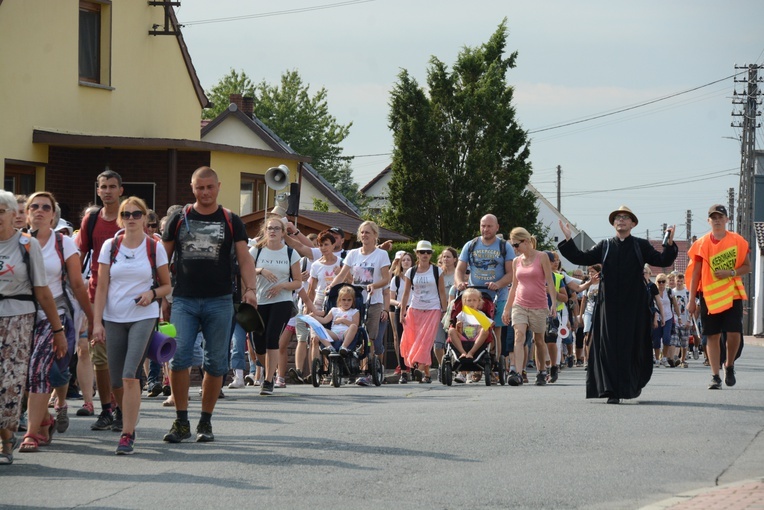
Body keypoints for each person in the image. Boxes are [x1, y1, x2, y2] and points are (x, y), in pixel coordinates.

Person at [161, 166, 257, 443]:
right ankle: (181, 421)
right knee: (178, 360)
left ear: (218, 187)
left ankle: (205, 421)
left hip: (220, 301)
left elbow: (245, 259)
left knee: (216, 363)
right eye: (199, 187)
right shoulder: (178, 219)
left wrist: (251, 290)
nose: (204, 192)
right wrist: (161, 296)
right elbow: (162, 260)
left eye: (209, 187)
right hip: (183, 300)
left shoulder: (231, 219)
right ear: (192, 188)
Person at [558, 206, 678, 403]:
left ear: (632, 224)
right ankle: (611, 390)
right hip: (609, 305)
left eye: (625, 218)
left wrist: (670, 243)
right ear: (613, 224)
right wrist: (568, 239)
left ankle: (629, 385)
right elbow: (581, 257)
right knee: (608, 346)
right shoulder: (604, 246)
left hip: (634, 306)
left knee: (632, 345)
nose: (621, 220)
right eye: (617, 218)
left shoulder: (640, 245)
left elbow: (662, 259)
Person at [93, 197, 172, 454]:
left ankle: (127, 434)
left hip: (143, 316)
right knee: (116, 380)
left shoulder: (154, 247)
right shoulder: (110, 245)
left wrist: (152, 294)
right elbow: (101, 286)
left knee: (129, 375)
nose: (131, 218)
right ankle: (127, 412)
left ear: (145, 217)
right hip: (114, 317)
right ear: (121, 218)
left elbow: (167, 286)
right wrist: (97, 322)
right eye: (126, 214)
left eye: (136, 214)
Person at [18, 192, 93, 454]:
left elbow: (76, 284)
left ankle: (31, 432)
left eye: (45, 207)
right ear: (27, 213)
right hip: (20, 314)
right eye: (34, 206)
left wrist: (92, 318)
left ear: (53, 215)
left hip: (55, 314)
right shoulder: (17, 242)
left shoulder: (63, 243)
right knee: (22, 373)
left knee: (40, 370)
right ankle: (45, 419)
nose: (39, 210)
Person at [0, 189, 69, 465]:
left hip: (19, 318)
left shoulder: (27, 245)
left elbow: (42, 292)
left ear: (13, 215)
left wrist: (58, 331)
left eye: (1, 211)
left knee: (11, 382)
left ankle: (6, 437)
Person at [76, 169, 123, 430]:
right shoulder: (91, 220)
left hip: (127, 297)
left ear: (120, 190)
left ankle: (122, 408)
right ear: (98, 189)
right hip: (96, 295)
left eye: (112, 186)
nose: (107, 191)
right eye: (103, 186)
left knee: (125, 356)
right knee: (100, 356)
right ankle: (107, 409)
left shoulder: (129, 216)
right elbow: (79, 254)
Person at [687, 204, 750, 390]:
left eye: (720, 217)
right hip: (709, 295)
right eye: (713, 217)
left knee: (733, 332)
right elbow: (696, 274)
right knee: (712, 336)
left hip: (732, 293)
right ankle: (715, 376)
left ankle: (729, 365)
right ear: (708, 220)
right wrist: (692, 300)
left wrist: (731, 272)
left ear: (727, 220)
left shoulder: (737, 240)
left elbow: (748, 266)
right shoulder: (701, 244)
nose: (717, 220)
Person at [329, 221, 391, 386]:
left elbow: (386, 278)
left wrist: (374, 285)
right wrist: (332, 287)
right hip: (355, 299)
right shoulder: (353, 254)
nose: (364, 235)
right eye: (362, 232)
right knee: (354, 333)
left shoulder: (381, 255)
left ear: (375, 236)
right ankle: (352, 368)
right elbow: (342, 275)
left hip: (374, 299)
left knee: (369, 336)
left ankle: (367, 372)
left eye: (368, 233)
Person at [250, 215, 302, 395]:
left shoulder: (290, 253)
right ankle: (267, 369)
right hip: (259, 300)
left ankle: (268, 380)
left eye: (276, 229)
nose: (272, 231)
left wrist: (281, 285)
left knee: (272, 337)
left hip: (282, 301)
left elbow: (298, 282)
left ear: (283, 233)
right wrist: (261, 270)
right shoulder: (256, 250)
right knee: (258, 343)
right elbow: (245, 272)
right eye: (269, 228)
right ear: (265, 231)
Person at [454, 214, 514, 364]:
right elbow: (459, 269)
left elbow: (512, 273)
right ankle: (471, 361)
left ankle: (494, 361)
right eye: (483, 226)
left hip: (497, 295)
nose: (485, 229)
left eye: (489, 226)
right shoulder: (471, 245)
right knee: (470, 329)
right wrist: (459, 282)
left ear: (497, 227)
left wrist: (498, 284)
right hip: (475, 297)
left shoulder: (504, 246)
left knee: (495, 330)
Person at [501, 228, 556, 386]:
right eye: (513, 246)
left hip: (539, 305)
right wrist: (507, 308)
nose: (515, 249)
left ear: (526, 241)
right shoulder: (516, 261)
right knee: (519, 336)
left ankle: (541, 371)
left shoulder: (542, 257)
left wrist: (552, 303)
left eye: (516, 245)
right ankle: (517, 372)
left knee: (538, 340)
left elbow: (550, 282)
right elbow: (514, 286)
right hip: (520, 304)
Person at [399, 241, 447, 384]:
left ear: (431, 254)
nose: (425, 255)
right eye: (422, 252)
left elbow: (442, 292)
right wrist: (402, 311)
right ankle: (426, 374)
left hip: (433, 308)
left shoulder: (437, 271)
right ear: (417, 254)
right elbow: (406, 293)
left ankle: (419, 368)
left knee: (426, 341)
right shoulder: (410, 271)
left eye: (428, 252)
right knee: (415, 339)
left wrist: (444, 310)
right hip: (415, 309)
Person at [309, 285, 360, 352]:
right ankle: (329, 347)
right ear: (339, 300)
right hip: (334, 333)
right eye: (344, 300)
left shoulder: (354, 311)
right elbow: (324, 320)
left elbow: (355, 325)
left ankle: (343, 347)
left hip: (346, 333)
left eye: (349, 300)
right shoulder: (334, 310)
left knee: (353, 326)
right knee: (318, 329)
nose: (346, 302)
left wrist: (343, 320)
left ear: (353, 301)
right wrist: (314, 317)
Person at [389, 250, 413, 382]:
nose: (406, 262)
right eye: (403, 260)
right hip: (400, 310)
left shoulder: (416, 277)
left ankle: (415, 367)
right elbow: (390, 299)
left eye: (408, 260)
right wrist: (399, 304)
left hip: (415, 310)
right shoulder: (396, 279)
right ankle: (403, 369)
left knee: (414, 339)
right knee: (400, 338)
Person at [448, 288, 492, 359]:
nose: (472, 303)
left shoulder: (481, 315)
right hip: (463, 337)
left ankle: (471, 352)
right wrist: (458, 327)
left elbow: (488, 326)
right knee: (451, 331)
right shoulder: (461, 314)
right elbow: (459, 331)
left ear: (479, 302)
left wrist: (483, 326)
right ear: (465, 302)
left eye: (474, 300)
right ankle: (463, 352)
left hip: (476, 338)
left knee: (485, 331)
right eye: (469, 300)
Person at [433, 247, 457, 376]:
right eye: (444, 257)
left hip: (454, 312)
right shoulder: (437, 274)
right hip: (438, 311)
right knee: (438, 343)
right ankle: (442, 367)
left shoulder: (459, 275)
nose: (446, 259)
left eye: (448, 257)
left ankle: (454, 368)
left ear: (454, 259)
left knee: (454, 342)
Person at [653, 273, 680, 367]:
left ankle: (664, 358)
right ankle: (657, 359)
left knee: (666, 338)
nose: (661, 284)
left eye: (663, 281)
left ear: (666, 282)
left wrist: (679, 317)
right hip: (657, 317)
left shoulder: (669, 291)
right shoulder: (654, 291)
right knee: (656, 340)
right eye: (659, 282)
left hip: (668, 317)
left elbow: (675, 305)